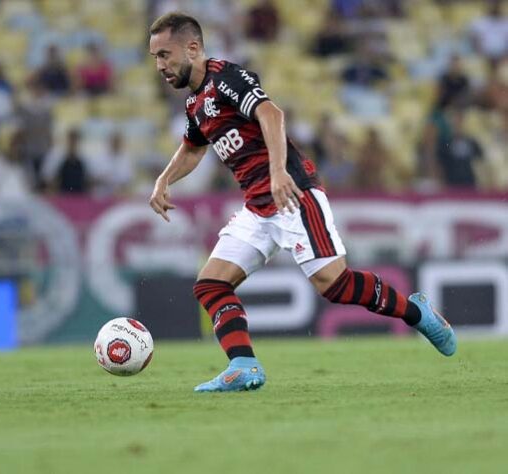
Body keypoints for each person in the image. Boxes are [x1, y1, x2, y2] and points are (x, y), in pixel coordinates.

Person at [146, 12, 456, 393]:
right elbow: (193, 149)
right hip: (257, 207)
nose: (160, 65)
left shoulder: (225, 77)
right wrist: (164, 180)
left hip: (292, 192)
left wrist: (278, 172)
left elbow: (271, 114)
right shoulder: (195, 101)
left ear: (192, 47)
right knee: (210, 285)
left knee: (335, 285)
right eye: (155, 57)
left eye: (165, 54)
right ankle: (244, 366)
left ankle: (417, 312)